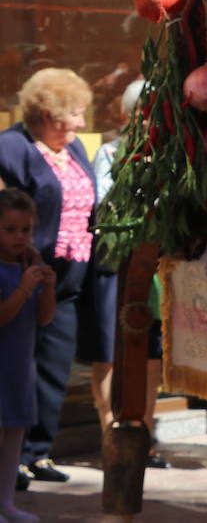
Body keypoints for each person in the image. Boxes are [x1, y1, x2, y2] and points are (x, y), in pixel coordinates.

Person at [0, 68, 97, 489]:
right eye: (72, 114)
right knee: (17, 369)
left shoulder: (72, 149)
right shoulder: (11, 148)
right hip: (22, 276)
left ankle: (37, 452)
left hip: (66, 279)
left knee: (55, 367)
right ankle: (12, 459)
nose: (79, 124)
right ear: (45, 114)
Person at [88, 78, 168, 469]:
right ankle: (112, 437)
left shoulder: (171, 155)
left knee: (150, 352)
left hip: (155, 267)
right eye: (142, 111)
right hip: (116, 263)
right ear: (128, 115)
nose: (148, 119)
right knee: (110, 351)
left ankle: (143, 439)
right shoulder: (110, 152)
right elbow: (106, 205)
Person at [0, 190, 56, 523]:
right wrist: (23, 288)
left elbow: (44, 318)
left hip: (20, 367)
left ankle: (6, 503)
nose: (21, 237)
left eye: (26, 230)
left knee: (14, 437)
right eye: (10, 229)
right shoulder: (12, 274)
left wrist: (47, 286)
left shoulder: (28, 267)